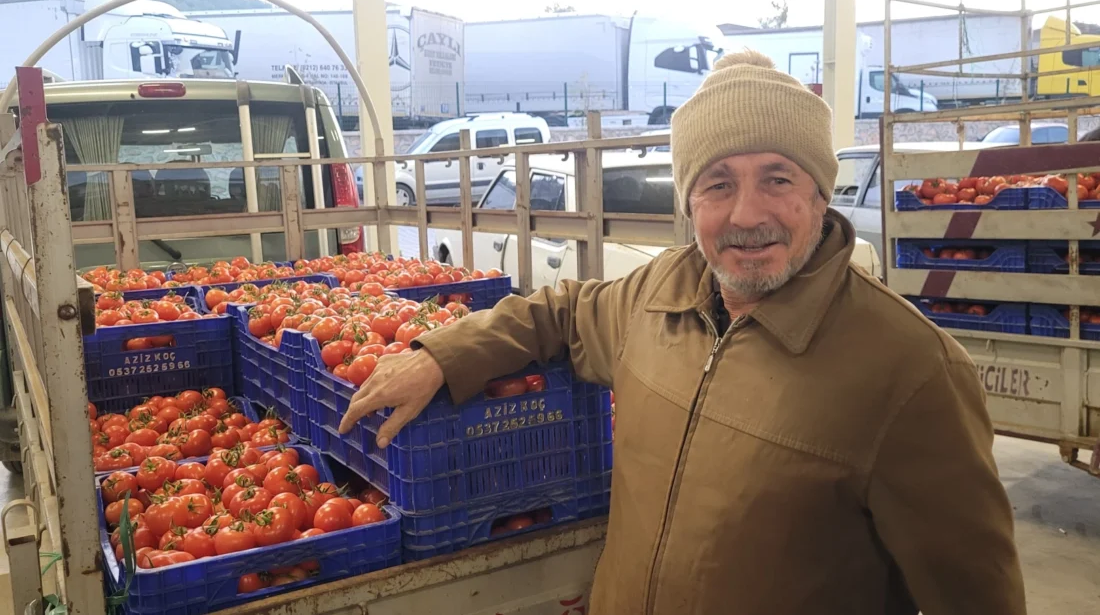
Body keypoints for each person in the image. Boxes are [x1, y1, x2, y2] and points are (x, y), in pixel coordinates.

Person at [340, 50, 1026, 614]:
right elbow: (561, 310)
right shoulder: (656, 294)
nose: (746, 214)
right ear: (689, 202)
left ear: (821, 193)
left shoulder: (909, 371)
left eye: (778, 178)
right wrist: (441, 355)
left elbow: (979, 597)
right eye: (718, 185)